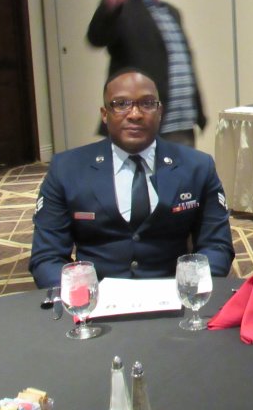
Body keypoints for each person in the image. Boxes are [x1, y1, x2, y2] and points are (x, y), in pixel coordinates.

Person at [29, 69, 233, 288]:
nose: (135, 114)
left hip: (175, 294)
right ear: (105, 114)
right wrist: (81, 297)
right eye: (121, 104)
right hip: (96, 298)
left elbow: (217, 246)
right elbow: (47, 258)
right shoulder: (67, 169)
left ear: (160, 111)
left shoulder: (197, 167)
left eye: (147, 103)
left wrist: (190, 291)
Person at [87, 0, 206, 147]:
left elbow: (183, 64)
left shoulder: (172, 13)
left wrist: (199, 112)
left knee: (185, 169)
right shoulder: (123, 9)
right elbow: (96, 38)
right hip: (142, 123)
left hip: (182, 123)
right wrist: (110, 7)